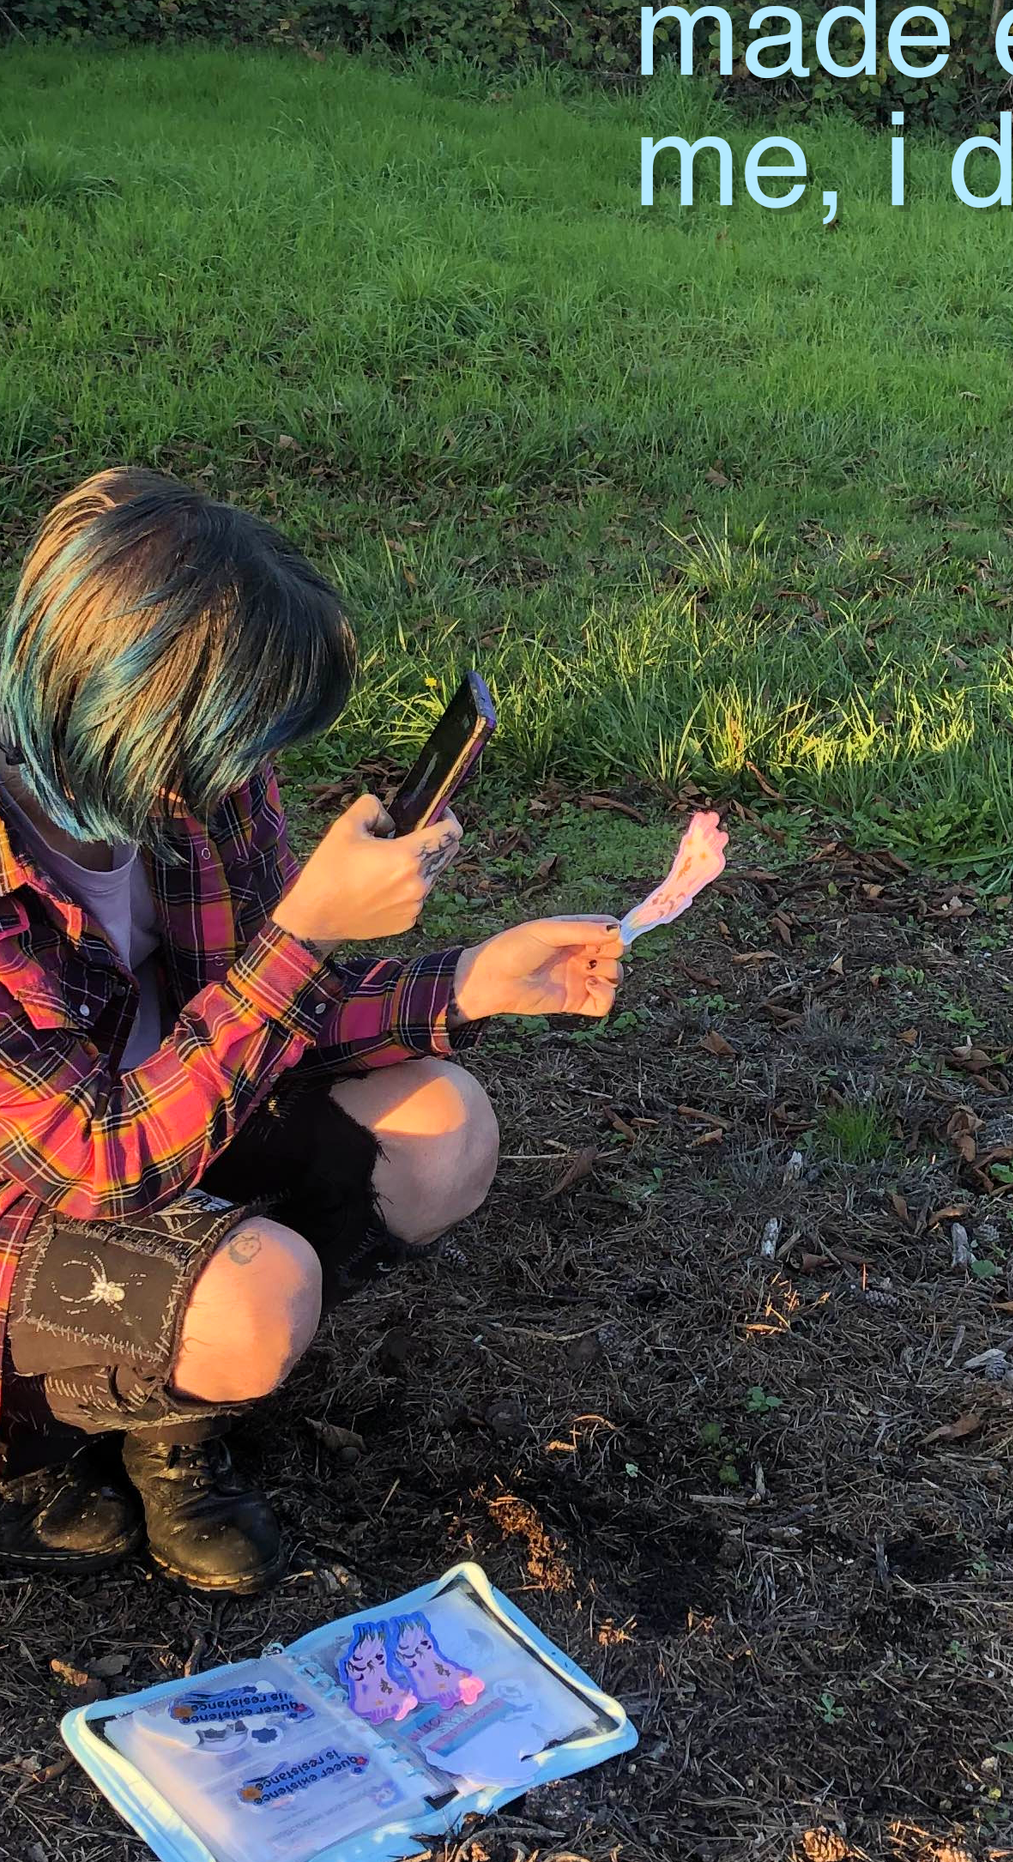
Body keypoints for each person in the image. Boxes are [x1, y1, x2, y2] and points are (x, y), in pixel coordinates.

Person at [0, 469, 623, 1594]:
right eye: (236, 740)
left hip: (181, 1123)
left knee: (442, 1129)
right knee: (259, 1292)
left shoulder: (200, 785)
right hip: (39, 1201)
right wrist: (306, 933)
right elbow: (95, 1158)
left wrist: (469, 981)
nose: (251, 772)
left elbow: (274, 1011)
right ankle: (35, 1448)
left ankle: (169, 1418)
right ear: (134, 712)